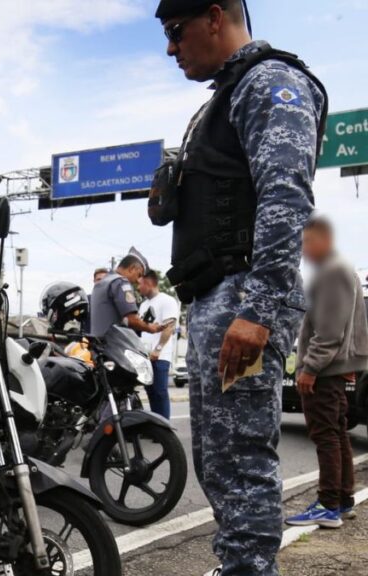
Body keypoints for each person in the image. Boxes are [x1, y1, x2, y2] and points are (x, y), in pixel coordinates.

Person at [149, 1, 327, 574]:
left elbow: (284, 194)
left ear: (216, 17)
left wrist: (260, 309)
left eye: (177, 33)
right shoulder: (221, 101)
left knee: (242, 462)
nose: (171, 49)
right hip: (216, 299)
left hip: (242, 298)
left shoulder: (271, 82)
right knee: (220, 462)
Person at [285, 216, 368, 528]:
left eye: (307, 242)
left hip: (325, 369)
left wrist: (310, 368)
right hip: (334, 369)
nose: (304, 250)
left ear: (322, 239)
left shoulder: (332, 272)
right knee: (335, 433)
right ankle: (342, 500)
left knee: (325, 436)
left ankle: (328, 504)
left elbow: (329, 332)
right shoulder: (341, 270)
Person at [89, 250, 165, 338]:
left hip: (98, 346)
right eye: (139, 275)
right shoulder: (121, 282)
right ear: (132, 268)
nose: (138, 280)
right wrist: (151, 328)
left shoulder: (103, 282)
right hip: (113, 346)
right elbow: (132, 320)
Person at [138, 270, 180, 419]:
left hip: (160, 355)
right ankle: (155, 426)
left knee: (160, 391)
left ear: (149, 283)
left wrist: (158, 349)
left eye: (140, 283)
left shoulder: (167, 300)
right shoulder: (143, 305)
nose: (138, 287)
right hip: (145, 356)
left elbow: (169, 326)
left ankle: (164, 427)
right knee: (150, 391)